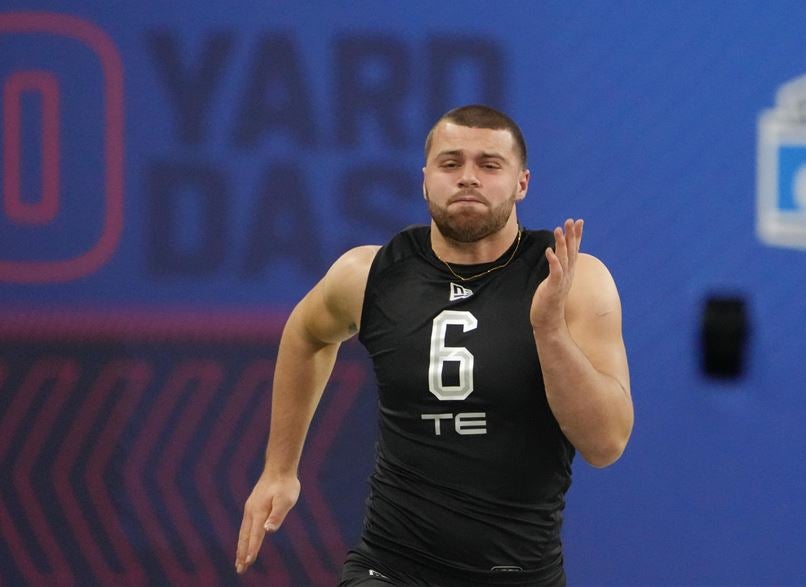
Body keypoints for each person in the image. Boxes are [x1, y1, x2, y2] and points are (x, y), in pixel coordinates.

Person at [235, 104, 633, 586]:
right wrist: (280, 469)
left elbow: (606, 443)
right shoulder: (370, 275)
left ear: (522, 182)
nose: (468, 178)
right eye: (450, 163)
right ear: (424, 179)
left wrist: (549, 331)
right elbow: (307, 334)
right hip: (389, 566)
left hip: (516, 571)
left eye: (489, 165)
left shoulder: (571, 280)